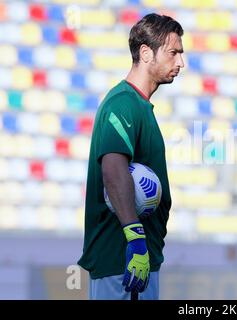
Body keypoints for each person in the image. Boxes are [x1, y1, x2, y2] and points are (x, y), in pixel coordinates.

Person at [77, 13, 184, 300]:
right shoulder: (122, 104)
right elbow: (113, 170)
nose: (180, 63)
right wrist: (135, 240)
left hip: (139, 262)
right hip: (123, 264)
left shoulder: (140, 107)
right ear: (146, 53)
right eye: (174, 53)